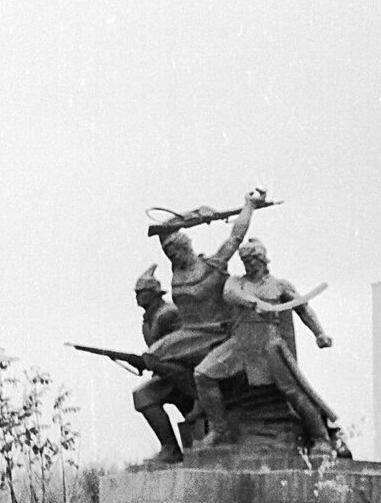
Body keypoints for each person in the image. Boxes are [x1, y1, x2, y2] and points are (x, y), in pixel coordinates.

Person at [194, 237, 343, 453]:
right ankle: (219, 430)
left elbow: (303, 309)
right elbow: (230, 294)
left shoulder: (280, 285)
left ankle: (320, 438)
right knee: (203, 374)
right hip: (240, 342)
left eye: (253, 259)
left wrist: (319, 333)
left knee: (292, 390)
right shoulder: (238, 282)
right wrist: (254, 303)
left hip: (268, 342)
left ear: (263, 259)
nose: (249, 263)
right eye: (245, 260)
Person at [142, 190, 265, 412]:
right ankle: (199, 397)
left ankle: (208, 402)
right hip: (190, 332)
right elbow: (164, 227)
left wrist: (249, 206)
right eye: (169, 254)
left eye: (175, 252)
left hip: (217, 330)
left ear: (185, 248)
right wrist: (197, 213)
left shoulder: (212, 265)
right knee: (153, 356)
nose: (172, 257)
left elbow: (235, 237)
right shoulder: (176, 271)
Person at [132, 264, 193, 464]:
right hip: (166, 374)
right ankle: (176, 448)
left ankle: (171, 448)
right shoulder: (147, 322)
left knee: (143, 395)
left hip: (183, 374)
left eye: (142, 292)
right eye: (137, 293)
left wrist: (159, 363)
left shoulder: (168, 314)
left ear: (154, 293)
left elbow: (187, 342)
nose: (138, 296)